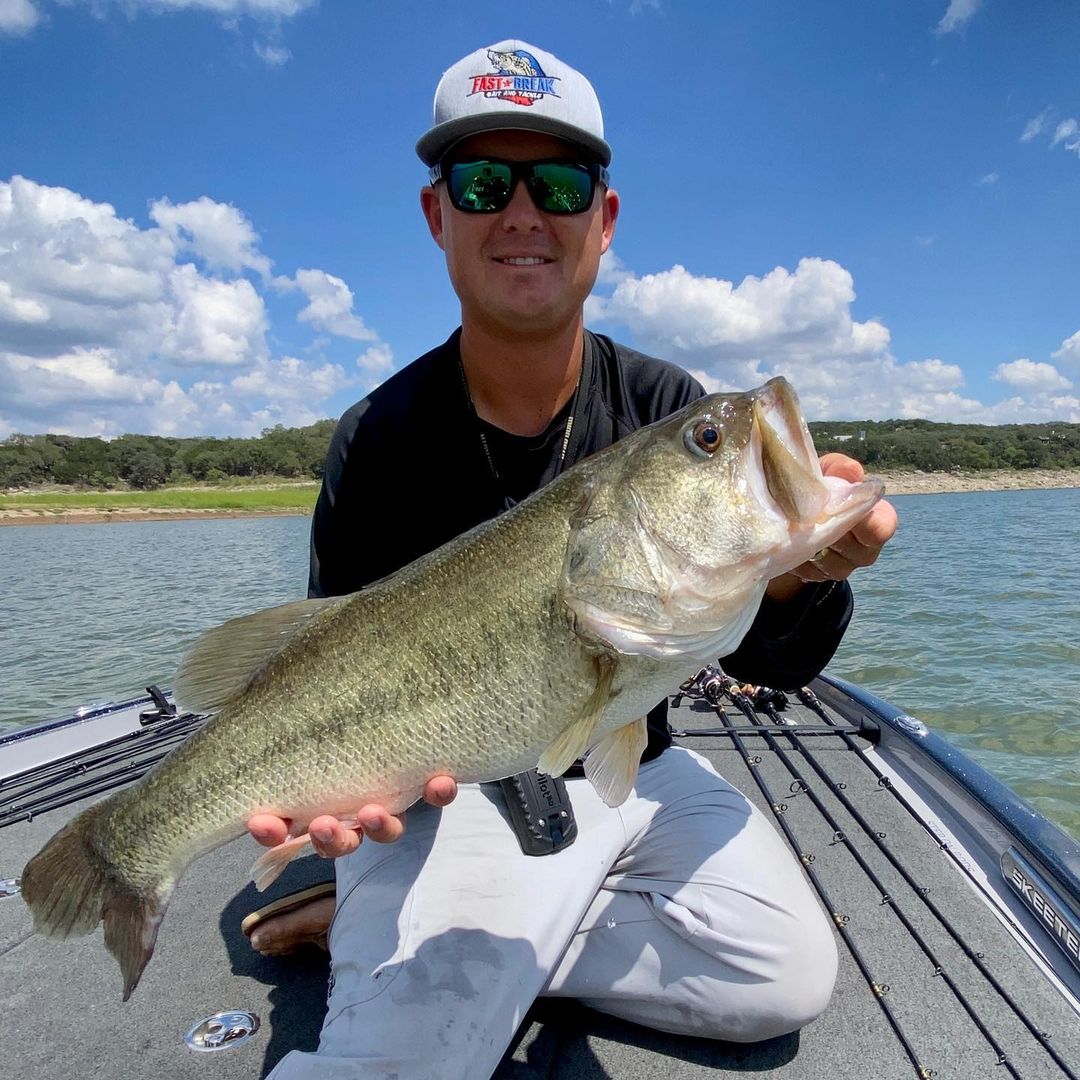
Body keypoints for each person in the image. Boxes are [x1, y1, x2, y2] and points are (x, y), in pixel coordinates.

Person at [246, 40, 898, 1079]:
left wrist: (799, 577)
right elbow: (326, 664)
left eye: (558, 184)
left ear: (604, 218)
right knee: (403, 1062)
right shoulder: (378, 439)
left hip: (627, 761)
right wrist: (331, 800)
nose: (521, 213)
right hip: (451, 797)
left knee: (779, 974)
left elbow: (770, 662)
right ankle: (394, 924)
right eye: (482, 183)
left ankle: (438, 940)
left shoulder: (661, 401)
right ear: (437, 216)